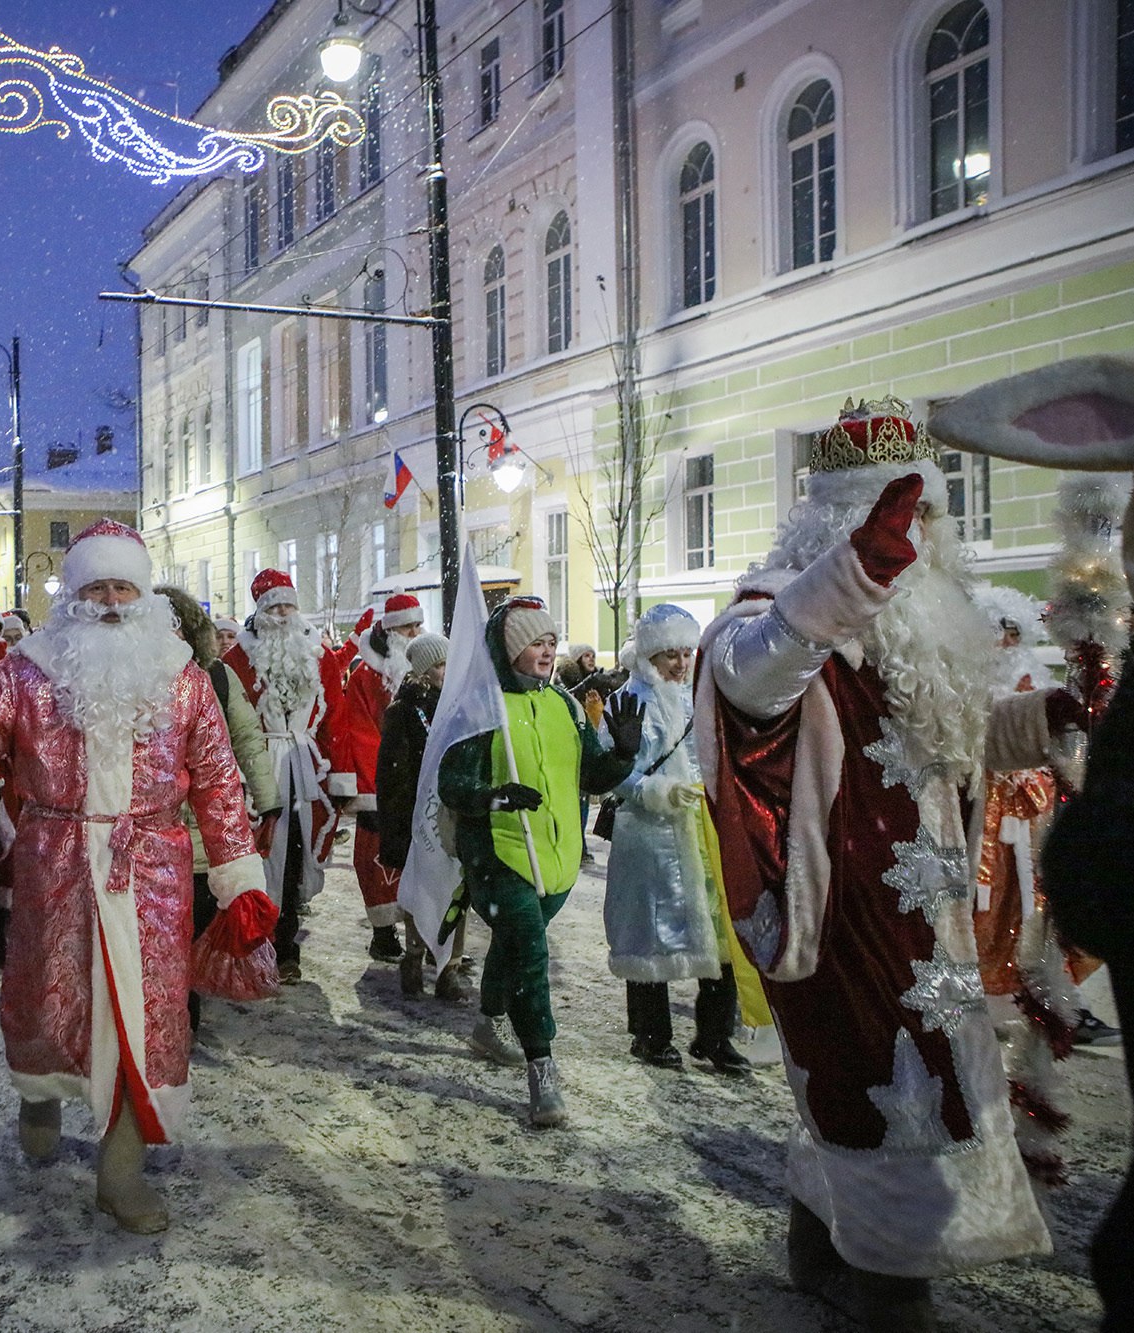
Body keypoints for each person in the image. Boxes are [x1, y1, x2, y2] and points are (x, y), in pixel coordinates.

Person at [698, 402, 1068, 1328]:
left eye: (930, 521)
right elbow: (749, 682)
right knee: (882, 1081)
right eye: (911, 522)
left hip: (928, 905)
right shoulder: (777, 610)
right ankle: (894, 1287)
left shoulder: (924, 624)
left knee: (869, 1080)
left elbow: (964, 739)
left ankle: (822, 1246)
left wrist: (1048, 721)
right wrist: (855, 575)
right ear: (853, 522)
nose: (928, 540)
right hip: (839, 905)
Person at [0, 521, 267, 1234]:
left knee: (148, 1016)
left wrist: (237, 871)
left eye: (121, 585)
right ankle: (40, 1091)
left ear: (144, 593)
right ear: (73, 594)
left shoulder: (183, 677)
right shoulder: (28, 668)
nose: (108, 600)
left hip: (152, 871)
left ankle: (120, 1170)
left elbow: (220, 780)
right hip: (55, 860)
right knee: (48, 1001)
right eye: (94, 586)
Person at [439, 597, 641, 1128]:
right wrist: (495, 796)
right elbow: (452, 783)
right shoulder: (481, 709)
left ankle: (488, 1023)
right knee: (530, 949)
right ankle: (542, 1069)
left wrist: (622, 755)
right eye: (536, 642)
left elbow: (592, 777)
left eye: (552, 641)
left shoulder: (564, 708)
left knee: (514, 945)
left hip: (557, 858)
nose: (548, 650)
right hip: (499, 855)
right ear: (509, 652)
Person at [600, 604, 751, 1075]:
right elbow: (610, 773)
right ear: (650, 656)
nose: (682, 664)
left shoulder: (702, 699)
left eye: (687, 653)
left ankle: (714, 1035)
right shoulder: (627, 702)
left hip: (704, 833)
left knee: (721, 935)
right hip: (650, 839)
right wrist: (655, 790)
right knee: (649, 936)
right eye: (671, 655)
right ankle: (650, 1036)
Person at [153, 586, 276, 1033]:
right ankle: (174, 1003)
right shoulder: (142, 681)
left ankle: (187, 999)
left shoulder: (217, 678)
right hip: (158, 825)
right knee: (165, 922)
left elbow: (246, 739)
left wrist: (268, 798)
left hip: (205, 822)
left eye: (178, 626)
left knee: (198, 915)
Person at [221, 570, 340, 983]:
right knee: (259, 856)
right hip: (260, 767)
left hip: (306, 768)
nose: (282, 613)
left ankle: (287, 945)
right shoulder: (236, 660)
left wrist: (337, 776)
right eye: (274, 606)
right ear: (260, 610)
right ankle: (257, 942)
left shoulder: (319, 655)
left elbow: (334, 720)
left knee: (296, 856)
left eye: (288, 604)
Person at [331, 593, 424, 962]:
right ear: (390, 629)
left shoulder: (426, 668)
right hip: (382, 783)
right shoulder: (366, 676)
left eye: (417, 625)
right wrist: (371, 792)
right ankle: (383, 933)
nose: (414, 632)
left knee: (426, 861)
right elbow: (360, 732)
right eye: (407, 626)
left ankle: (432, 935)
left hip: (419, 780)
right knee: (378, 861)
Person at [376, 631, 466, 999]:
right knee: (422, 890)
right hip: (419, 815)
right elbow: (392, 775)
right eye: (440, 665)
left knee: (459, 889)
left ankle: (450, 966)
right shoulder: (404, 711)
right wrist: (395, 827)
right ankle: (414, 954)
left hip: (455, 812)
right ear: (424, 670)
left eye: (449, 663)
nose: (446, 671)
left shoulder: (459, 706)